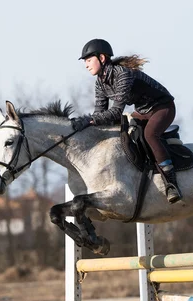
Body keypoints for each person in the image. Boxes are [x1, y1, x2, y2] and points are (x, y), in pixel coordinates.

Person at [72, 38, 183, 204]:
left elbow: (116, 111)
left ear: (101, 58)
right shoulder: (100, 83)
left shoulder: (122, 74)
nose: (86, 65)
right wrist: (87, 125)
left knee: (150, 135)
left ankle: (171, 183)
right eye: (85, 62)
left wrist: (89, 120)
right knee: (128, 134)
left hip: (163, 107)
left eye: (88, 60)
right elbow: (100, 113)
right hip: (143, 111)